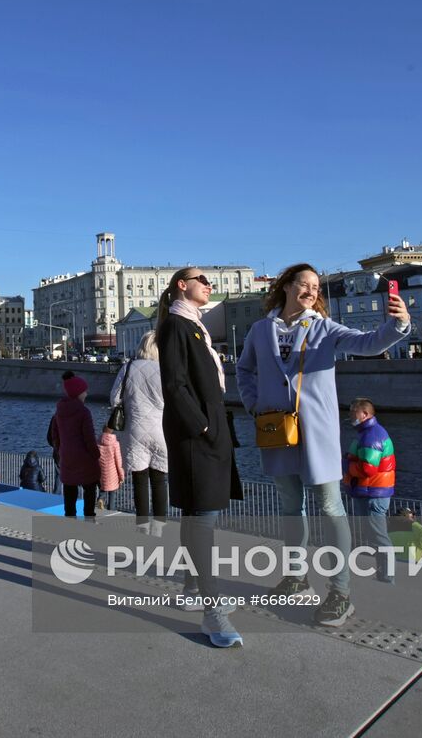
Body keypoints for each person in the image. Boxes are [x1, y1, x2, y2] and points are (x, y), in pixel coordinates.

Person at [237, 263, 410, 628]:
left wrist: (397, 325)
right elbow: (244, 369)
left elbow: (366, 343)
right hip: (277, 431)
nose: (312, 291)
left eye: (316, 287)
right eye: (305, 284)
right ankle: (297, 576)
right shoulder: (260, 330)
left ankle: (340, 592)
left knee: (331, 507)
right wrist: (253, 402)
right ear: (286, 286)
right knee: (289, 505)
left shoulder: (323, 328)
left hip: (316, 432)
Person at [156, 267, 244, 648]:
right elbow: (174, 384)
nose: (209, 285)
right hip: (198, 434)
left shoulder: (193, 326)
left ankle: (194, 588)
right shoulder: (177, 325)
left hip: (207, 429)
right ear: (182, 285)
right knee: (203, 519)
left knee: (195, 515)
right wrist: (202, 427)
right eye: (202, 280)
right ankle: (213, 612)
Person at [111, 331, 168, 534]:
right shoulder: (166, 369)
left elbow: (114, 399)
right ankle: (159, 528)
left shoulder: (128, 368)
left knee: (139, 479)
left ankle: (142, 527)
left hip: (134, 431)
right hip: (162, 430)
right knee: (160, 480)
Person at [344, 397, 397, 584]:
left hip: (373, 493)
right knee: (376, 536)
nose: (351, 414)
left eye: (353, 411)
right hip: (372, 492)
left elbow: (368, 468)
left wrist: (347, 466)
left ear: (365, 414)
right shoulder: (368, 432)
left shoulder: (371, 435)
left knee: (379, 536)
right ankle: (384, 574)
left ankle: (387, 576)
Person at [51, 374, 99, 518]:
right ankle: (89, 520)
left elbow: (55, 435)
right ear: (79, 393)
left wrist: (59, 451)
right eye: (84, 391)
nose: (86, 394)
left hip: (67, 456)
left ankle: (70, 520)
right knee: (90, 488)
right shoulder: (84, 412)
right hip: (84, 457)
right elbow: (89, 438)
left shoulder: (59, 411)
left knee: (70, 489)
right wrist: (96, 454)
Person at [97, 417, 124, 513]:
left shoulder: (98, 442)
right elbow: (118, 461)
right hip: (113, 473)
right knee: (112, 492)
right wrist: (121, 475)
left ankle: (100, 499)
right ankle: (111, 510)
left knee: (103, 487)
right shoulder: (115, 444)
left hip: (101, 471)